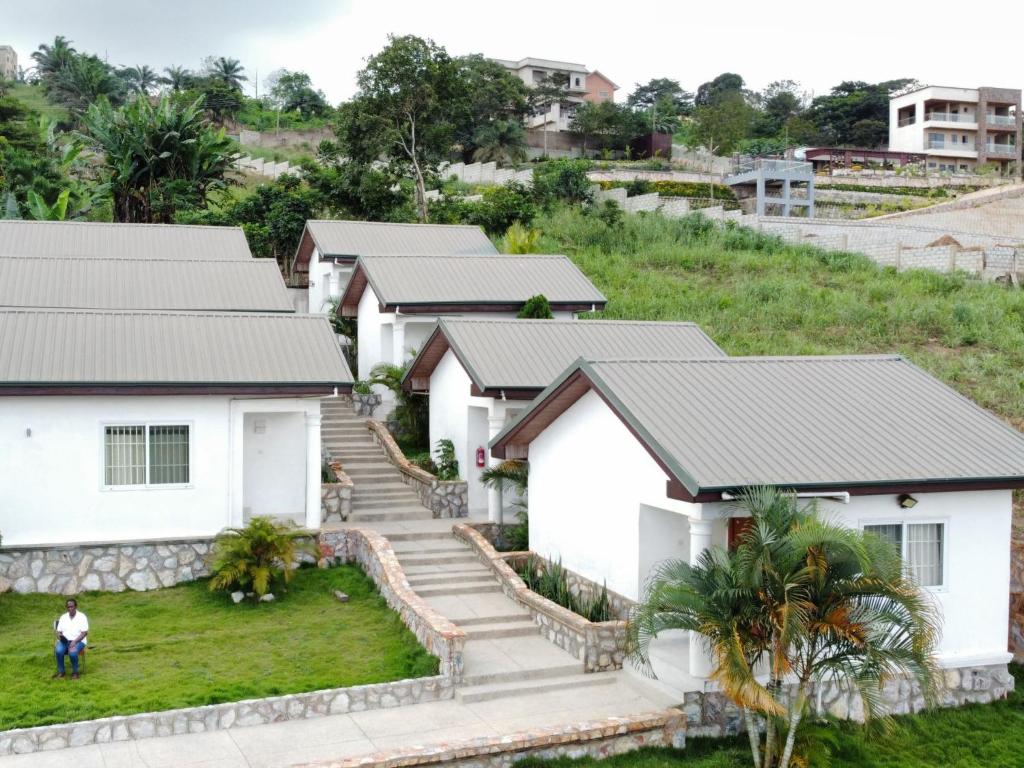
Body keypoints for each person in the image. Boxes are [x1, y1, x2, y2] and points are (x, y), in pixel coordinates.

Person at [54, 598, 88, 680]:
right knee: (58, 651)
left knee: (72, 652)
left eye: (72, 606)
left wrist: (75, 641)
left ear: (76, 606)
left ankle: (75, 672)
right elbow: (59, 631)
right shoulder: (63, 617)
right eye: (68, 607)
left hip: (78, 640)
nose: (70, 609)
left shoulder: (82, 617)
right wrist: (60, 637)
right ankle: (61, 672)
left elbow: (84, 633)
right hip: (65, 641)